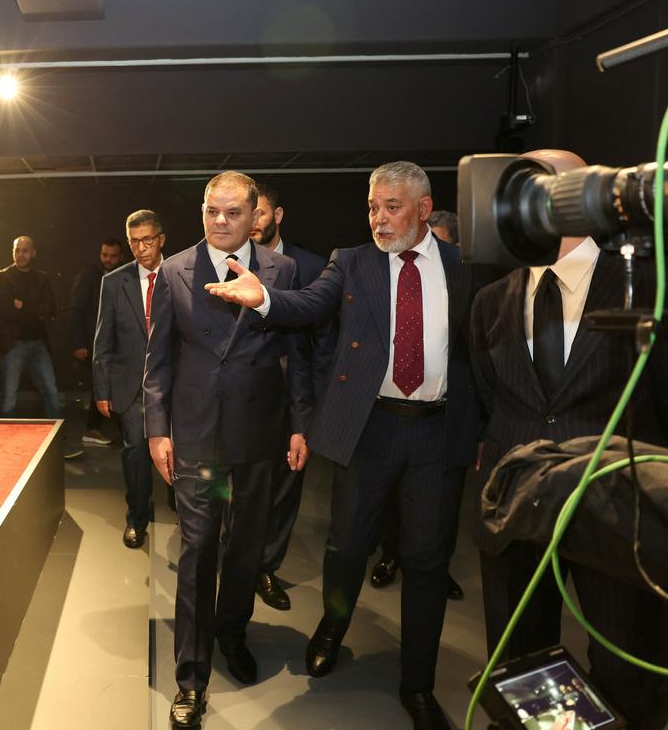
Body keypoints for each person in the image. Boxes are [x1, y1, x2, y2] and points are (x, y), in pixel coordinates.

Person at [208, 161, 478, 730]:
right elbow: (308, 304)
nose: (378, 219)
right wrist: (265, 300)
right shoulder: (352, 262)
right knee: (347, 545)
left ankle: (418, 683)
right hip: (370, 427)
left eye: (391, 208)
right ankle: (332, 627)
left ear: (424, 209)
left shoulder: (464, 268)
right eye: (372, 207)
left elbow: (482, 351)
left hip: (438, 432)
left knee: (427, 561)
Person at [470, 149, 668, 728]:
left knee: (627, 663)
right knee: (519, 666)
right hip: (515, 504)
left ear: (576, 197)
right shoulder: (490, 300)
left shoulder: (646, 286)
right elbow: (492, 395)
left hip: (615, 507)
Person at [144, 171, 311, 729]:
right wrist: (157, 429)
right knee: (197, 550)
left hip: (259, 432)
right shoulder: (174, 271)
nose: (220, 221)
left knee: (246, 547)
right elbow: (158, 362)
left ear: (255, 214)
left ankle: (232, 633)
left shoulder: (282, 270)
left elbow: (297, 355)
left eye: (233, 212)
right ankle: (190, 678)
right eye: (212, 210)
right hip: (197, 436)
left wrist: (300, 424)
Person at [371, 208, 465, 601]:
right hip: (387, 413)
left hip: (441, 419)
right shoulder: (384, 272)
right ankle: (391, 556)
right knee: (392, 500)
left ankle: (435, 567)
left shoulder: (463, 278)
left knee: (441, 507)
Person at [249, 184, 333, 611]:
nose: (253, 223)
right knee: (238, 488)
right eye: (247, 214)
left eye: (260, 213)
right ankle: (238, 561)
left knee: (285, 489)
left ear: (277, 215)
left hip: (294, 399)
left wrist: (312, 407)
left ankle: (266, 566)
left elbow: (323, 343)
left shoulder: (312, 267)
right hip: (244, 400)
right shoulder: (227, 263)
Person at [93, 211, 174, 550]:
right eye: (134, 242)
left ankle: (182, 507)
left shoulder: (180, 274)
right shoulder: (115, 282)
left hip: (178, 384)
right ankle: (137, 518)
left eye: (147, 240)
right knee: (136, 455)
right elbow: (103, 338)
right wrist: (102, 389)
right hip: (132, 387)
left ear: (161, 239)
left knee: (182, 453)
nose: (141, 248)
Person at [0, 236, 62, 421]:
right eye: (17, 250)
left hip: (38, 343)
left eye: (25, 251)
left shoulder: (42, 277)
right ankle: (8, 437)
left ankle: (56, 434)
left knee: (51, 390)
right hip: (13, 344)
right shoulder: (4, 276)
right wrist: (34, 309)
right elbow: (5, 310)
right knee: (9, 396)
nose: (20, 254)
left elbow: (49, 309)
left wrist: (22, 304)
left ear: (33, 253)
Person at [70, 238, 123, 447]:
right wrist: (78, 343)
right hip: (95, 342)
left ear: (120, 257)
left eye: (112, 256)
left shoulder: (125, 275)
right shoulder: (88, 276)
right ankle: (93, 428)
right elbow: (76, 311)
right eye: (104, 255)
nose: (108, 259)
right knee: (100, 385)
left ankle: (103, 429)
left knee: (111, 384)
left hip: (118, 343)